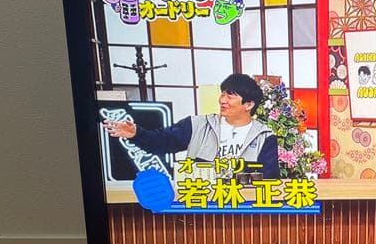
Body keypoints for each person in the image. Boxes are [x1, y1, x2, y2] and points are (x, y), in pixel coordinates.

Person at [102, 73, 279, 179]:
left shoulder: (264, 136)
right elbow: (163, 141)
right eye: (222, 94)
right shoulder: (197, 125)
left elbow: (269, 178)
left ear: (248, 104)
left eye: (230, 96)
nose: (222, 100)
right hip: (200, 203)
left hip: (241, 208)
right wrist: (136, 134)